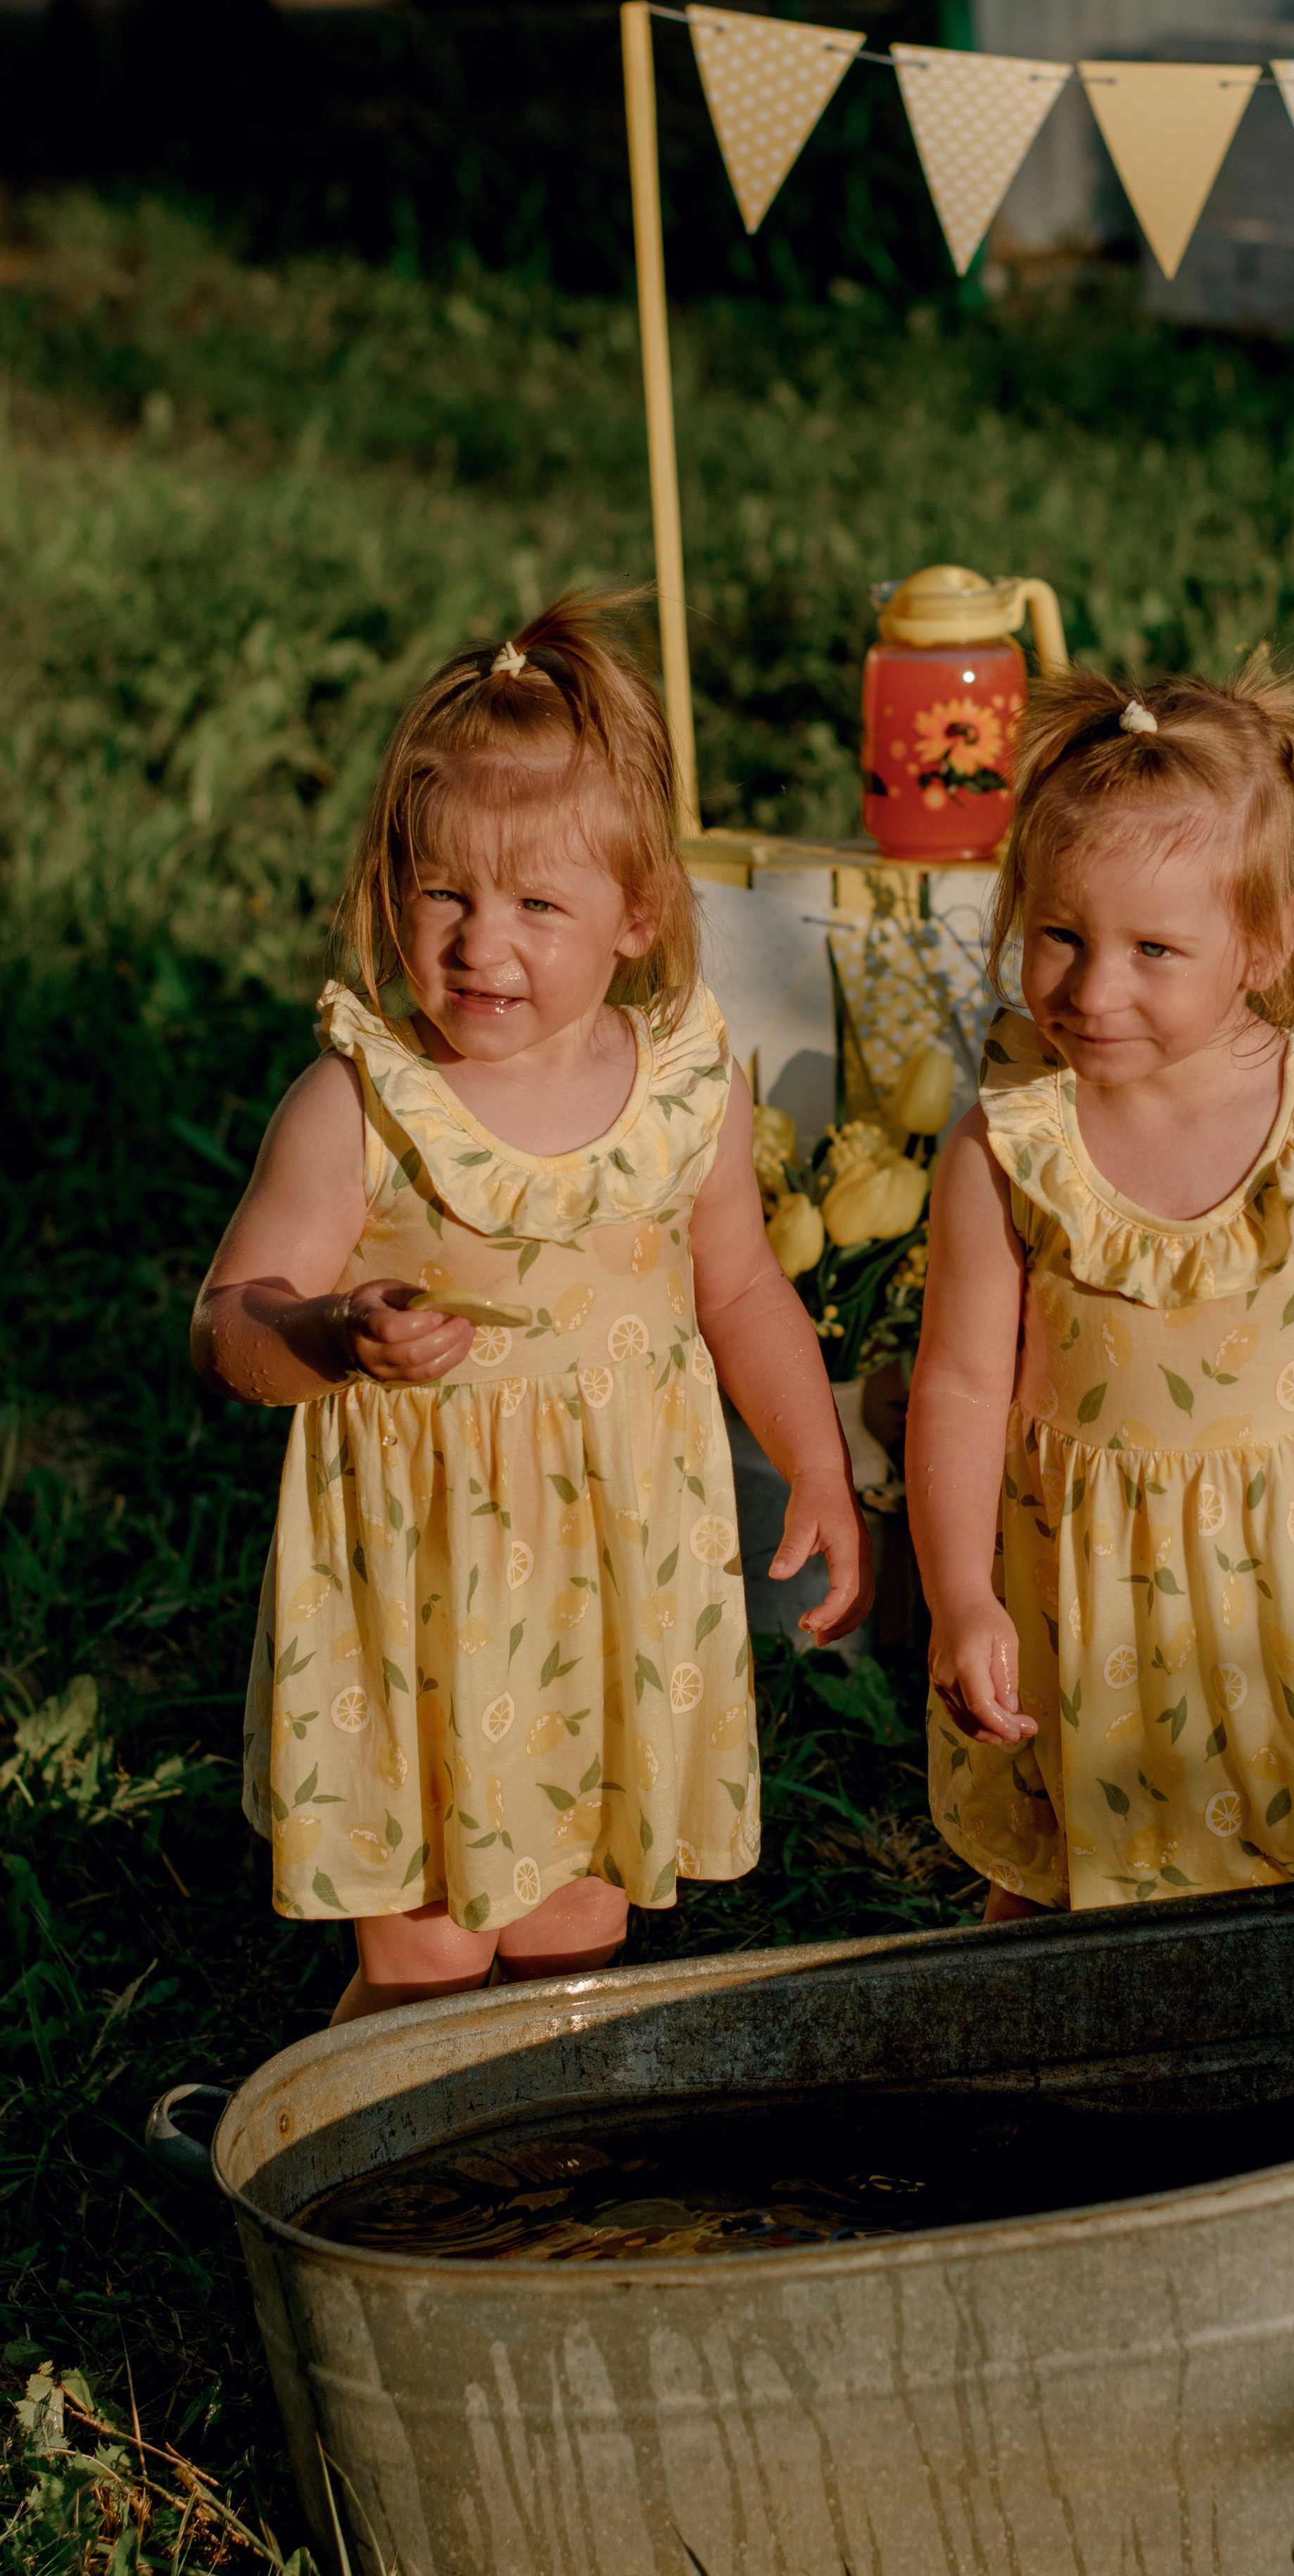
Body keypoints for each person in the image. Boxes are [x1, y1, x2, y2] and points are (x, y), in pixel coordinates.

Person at [194, 596, 870, 2022]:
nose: (478, 944)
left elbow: (739, 1284)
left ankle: (521, 2197)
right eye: (443, 893)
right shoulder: (365, 1105)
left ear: (636, 915)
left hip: (611, 1584)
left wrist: (816, 1461)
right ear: (392, 886)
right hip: (418, 1604)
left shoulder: (689, 1086)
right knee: (428, 1950)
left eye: (534, 905)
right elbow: (228, 1321)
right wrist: (326, 1338)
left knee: (574, 1924)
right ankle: (359, 2180)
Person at [908, 665, 1294, 1916]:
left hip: (1293, 1616)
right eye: (1061, 935)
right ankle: (1026, 2098)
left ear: (1262, 941)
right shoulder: (1011, 1142)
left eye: (1154, 949)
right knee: (1060, 1893)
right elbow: (956, 1382)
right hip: (1087, 1608)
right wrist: (960, 1596)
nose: (1093, 988)